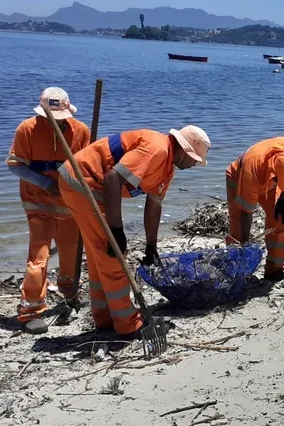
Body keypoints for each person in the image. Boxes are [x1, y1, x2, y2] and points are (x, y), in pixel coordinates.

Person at [58, 126, 211, 338]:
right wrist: (117, 231)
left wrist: (151, 246)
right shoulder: (157, 149)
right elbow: (112, 178)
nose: (194, 164)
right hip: (83, 182)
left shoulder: (167, 167)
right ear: (184, 151)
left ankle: (105, 319)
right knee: (114, 257)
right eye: (194, 159)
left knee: (100, 256)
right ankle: (128, 325)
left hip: (94, 188)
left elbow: (154, 205)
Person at [6, 87, 91, 334]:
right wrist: (46, 183)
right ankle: (31, 310)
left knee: (71, 252)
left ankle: (70, 293)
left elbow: (88, 166)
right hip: (38, 204)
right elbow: (15, 166)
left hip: (70, 205)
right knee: (38, 257)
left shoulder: (81, 131)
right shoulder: (27, 129)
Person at [225, 137, 284, 282]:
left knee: (278, 219)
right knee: (237, 225)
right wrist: (245, 243)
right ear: (274, 172)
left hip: (270, 182)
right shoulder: (253, 168)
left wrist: (282, 200)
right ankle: (235, 268)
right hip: (238, 178)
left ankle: (275, 270)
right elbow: (246, 211)